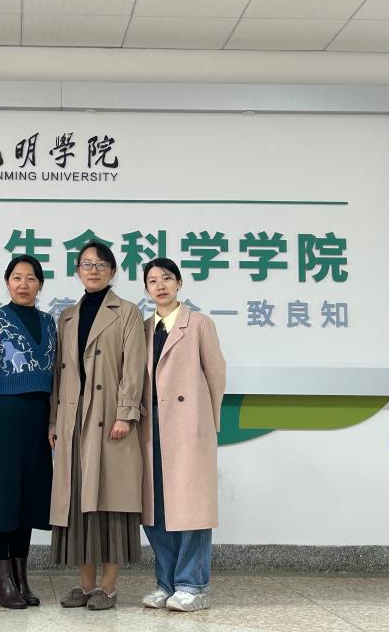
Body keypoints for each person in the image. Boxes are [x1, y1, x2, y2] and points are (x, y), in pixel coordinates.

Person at [49, 241, 147, 611]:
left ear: (112, 271)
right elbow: (59, 375)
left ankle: (108, 587)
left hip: (109, 420)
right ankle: (86, 585)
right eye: (87, 264)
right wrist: (53, 420)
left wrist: (125, 413)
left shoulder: (127, 312)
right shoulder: (67, 316)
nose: (94, 270)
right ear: (77, 270)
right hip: (73, 421)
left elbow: (133, 366)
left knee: (110, 503)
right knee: (77, 504)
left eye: (101, 264)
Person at [140, 258, 226, 612]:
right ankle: (167, 582)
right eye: (152, 281)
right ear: (146, 289)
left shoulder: (200, 324)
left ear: (179, 283)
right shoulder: (143, 328)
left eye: (166, 278)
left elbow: (216, 376)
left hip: (189, 427)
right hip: (151, 428)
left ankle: (193, 585)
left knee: (192, 508)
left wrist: (206, 425)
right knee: (155, 508)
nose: (160, 286)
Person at [0, 255, 56, 609]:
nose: (24, 284)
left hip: (37, 421)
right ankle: (2, 578)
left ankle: (21, 578)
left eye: (31, 278)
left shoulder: (49, 322)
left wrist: (52, 421)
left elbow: (56, 376)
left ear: (40, 284)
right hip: (2, 420)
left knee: (28, 499)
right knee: (1, 498)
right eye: (17, 277)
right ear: (7, 282)